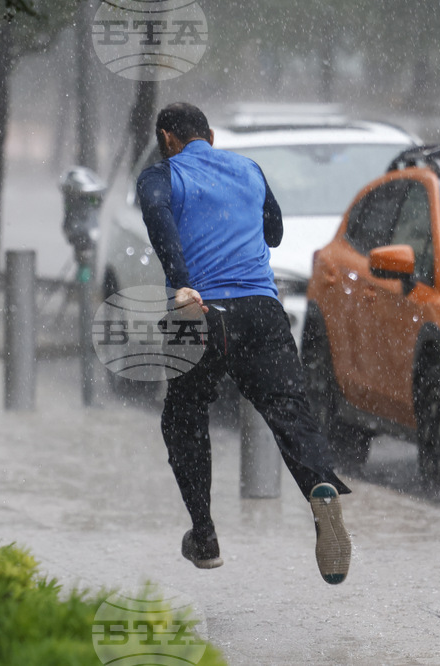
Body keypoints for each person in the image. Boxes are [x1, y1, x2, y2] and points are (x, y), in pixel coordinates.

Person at [136, 102, 352, 584]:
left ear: (167, 139)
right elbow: (273, 232)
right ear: (209, 135)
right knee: (290, 410)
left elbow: (156, 216)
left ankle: (205, 535)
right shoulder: (249, 169)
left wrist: (180, 278)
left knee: (185, 417)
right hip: (261, 309)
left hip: (200, 310)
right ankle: (320, 484)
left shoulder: (160, 176)